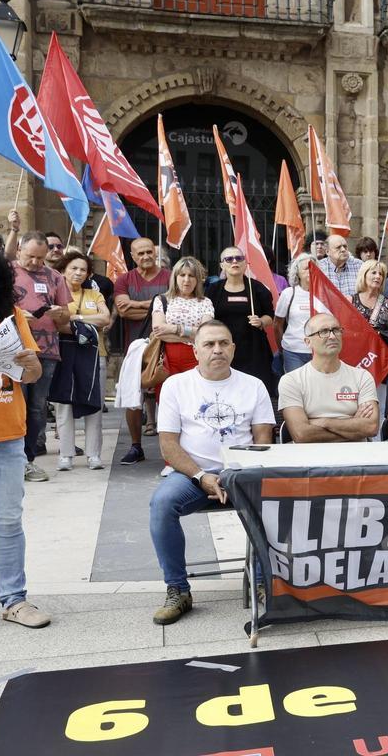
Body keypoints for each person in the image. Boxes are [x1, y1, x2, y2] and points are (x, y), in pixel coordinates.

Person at [149, 320, 275, 624]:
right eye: (208, 344)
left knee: (271, 500)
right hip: (191, 474)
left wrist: (238, 474)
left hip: (241, 473)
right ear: (195, 350)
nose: (217, 349)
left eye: (223, 343)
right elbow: (168, 445)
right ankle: (178, 590)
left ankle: (263, 584)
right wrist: (200, 476)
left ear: (233, 348)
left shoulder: (253, 385)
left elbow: (263, 441)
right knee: (162, 505)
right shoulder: (176, 385)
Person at [0, 251, 50, 628]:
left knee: (8, 521)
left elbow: (33, 373)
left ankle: (15, 600)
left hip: (7, 437)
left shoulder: (9, 321)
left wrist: (30, 365)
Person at [12, 232, 72, 481]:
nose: (36, 262)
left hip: (46, 351)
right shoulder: (5, 272)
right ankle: (10, 458)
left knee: (37, 407)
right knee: (14, 404)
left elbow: (67, 316)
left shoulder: (55, 277)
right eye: (30, 257)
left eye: (40, 257)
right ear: (19, 250)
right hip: (12, 349)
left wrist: (60, 313)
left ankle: (28, 459)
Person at [278, 313, 380, 443]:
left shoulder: (362, 376)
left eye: (336, 330)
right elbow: (301, 434)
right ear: (308, 342)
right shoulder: (292, 380)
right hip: (310, 458)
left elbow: (371, 427)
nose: (332, 336)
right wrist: (353, 424)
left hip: (356, 456)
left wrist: (323, 422)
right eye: (324, 331)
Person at [50, 251, 110, 471]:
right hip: (63, 355)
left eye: (83, 269)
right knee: (64, 405)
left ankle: (94, 455)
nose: (78, 273)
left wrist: (76, 318)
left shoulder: (94, 295)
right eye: (73, 268)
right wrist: (87, 325)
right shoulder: (55, 293)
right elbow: (56, 324)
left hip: (96, 356)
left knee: (94, 404)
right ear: (63, 270)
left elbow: (106, 318)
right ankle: (66, 455)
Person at [114, 237, 171, 464]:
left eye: (150, 252)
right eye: (141, 253)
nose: (146, 256)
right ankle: (136, 446)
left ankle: (171, 451)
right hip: (136, 346)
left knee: (168, 396)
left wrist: (137, 305)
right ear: (133, 256)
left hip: (166, 344)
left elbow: (173, 307)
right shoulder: (124, 279)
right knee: (133, 397)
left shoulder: (169, 277)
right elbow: (123, 311)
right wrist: (158, 305)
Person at [204, 247, 277, 402]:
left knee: (255, 389)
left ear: (245, 264)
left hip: (254, 348)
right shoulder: (213, 290)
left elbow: (270, 316)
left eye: (239, 258)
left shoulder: (258, 289)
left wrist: (261, 321)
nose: (234, 262)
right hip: (223, 348)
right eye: (229, 259)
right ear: (222, 265)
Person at [149, 257, 215, 401]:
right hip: (166, 360)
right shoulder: (162, 300)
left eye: (191, 275)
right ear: (175, 277)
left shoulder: (205, 302)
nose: (186, 280)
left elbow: (206, 333)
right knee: (168, 401)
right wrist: (192, 333)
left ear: (198, 279)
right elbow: (159, 331)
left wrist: (174, 328)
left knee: (196, 400)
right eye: (182, 275)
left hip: (196, 359)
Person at [274, 253, 317, 374]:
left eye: (313, 267)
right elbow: (277, 324)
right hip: (293, 351)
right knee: (296, 388)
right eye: (306, 268)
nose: (310, 270)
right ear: (297, 272)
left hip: (318, 351)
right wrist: (282, 348)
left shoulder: (324, 294)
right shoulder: (288, 293)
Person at [352, 259, 388, 341]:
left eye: (381, 274)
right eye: (373, 273)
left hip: (381, 351)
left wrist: (383, 335)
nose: (378, 276)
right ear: (364, 275)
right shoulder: (351, 301)